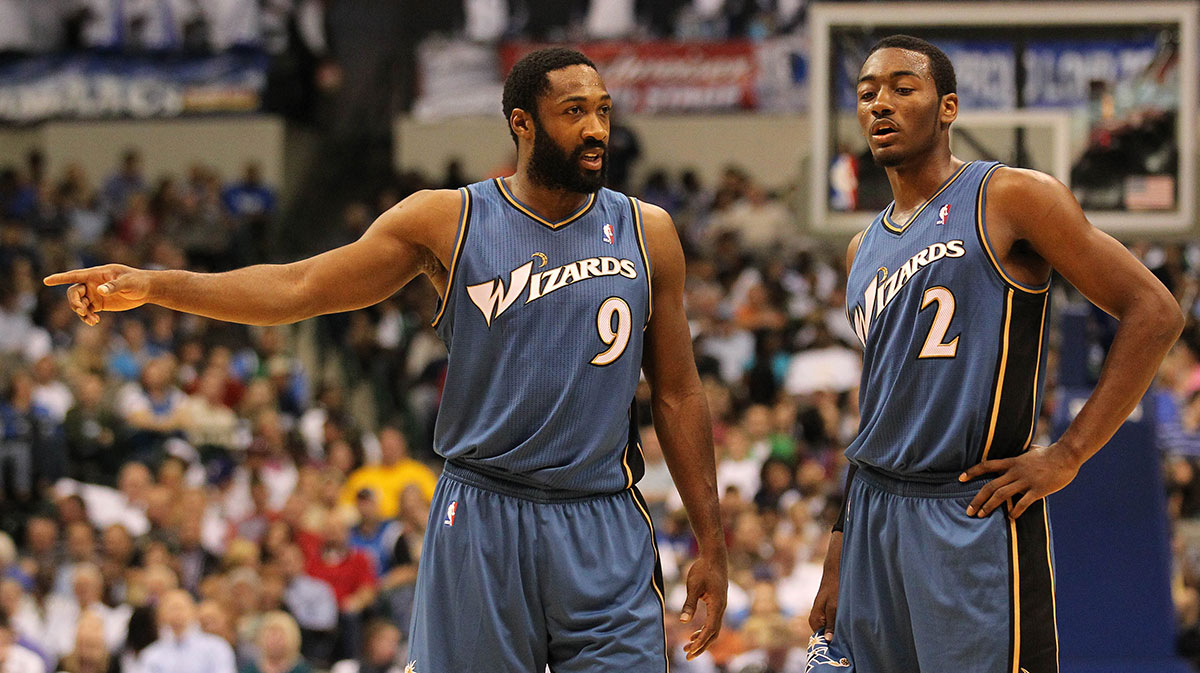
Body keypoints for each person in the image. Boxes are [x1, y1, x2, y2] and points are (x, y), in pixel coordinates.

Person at [45, 46, 727, 672]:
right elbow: (300, 287)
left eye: (603, 110)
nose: (596, 129)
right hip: (485, 514)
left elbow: (677, 395)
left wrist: (711, 539)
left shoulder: (649, 231)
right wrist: (159, 283)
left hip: (603, 519)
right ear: (523, 123)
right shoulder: (449, 219)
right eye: (574, 112)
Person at [805, 35, 1184, 672]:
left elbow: (1156, 311)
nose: (881, 105)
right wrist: (843, 537)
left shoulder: (1011, 196)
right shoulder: (861, 248)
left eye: (903, 87)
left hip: (970, 509)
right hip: (873, 512)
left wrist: (1070, 452)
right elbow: (881, 404)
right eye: (868, 93)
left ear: (947, 106)